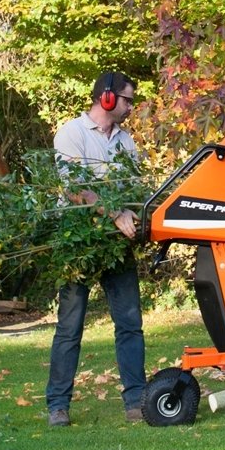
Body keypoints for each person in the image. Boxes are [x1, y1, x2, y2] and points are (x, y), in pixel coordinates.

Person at [45, 71, 145, 427]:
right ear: (106, 97)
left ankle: (137, 401)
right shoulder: (71, 133)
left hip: (116, 243)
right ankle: (58, 405)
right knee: (70, 326)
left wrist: (132, 210)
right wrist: (116, 212)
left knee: (130, 323)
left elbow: (133, 189)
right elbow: (76, 190)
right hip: (79, 240)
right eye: (127, 99)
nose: (130, 106)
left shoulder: (126, 143)